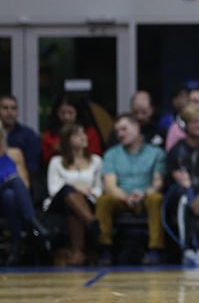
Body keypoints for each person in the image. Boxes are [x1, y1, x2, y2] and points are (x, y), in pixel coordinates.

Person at [96, 114, 167, 265]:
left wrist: (143, 194)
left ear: (136, 128)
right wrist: (125, 197)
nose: (120, 134)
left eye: (124, 129)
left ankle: (155, 250)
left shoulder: (156, 153)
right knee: (104, 200)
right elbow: (109, 185)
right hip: (120, 197)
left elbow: (158, 183)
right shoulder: (111, 154)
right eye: (117, 131)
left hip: (145, 196)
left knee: (157, 199)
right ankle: (105, 249)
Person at [45, 124, 102, 266]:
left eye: (84, 133)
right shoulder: (56, 162)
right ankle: (91, 222)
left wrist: (89, 192)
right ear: (67, 140)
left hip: (87, 201)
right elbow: (54, 189)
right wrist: (78, 189)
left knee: (74, 208)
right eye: (78, 134)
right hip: (58, 202)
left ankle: (77, 253)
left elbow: (99, 188)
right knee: (67, 190)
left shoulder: (96, 161)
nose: (84, 137)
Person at [0, 123, 34, 265]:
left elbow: (25, 184)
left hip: (11, 200)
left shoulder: (15, 154)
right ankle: (33, 223)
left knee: (10, 196)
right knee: (13, 180)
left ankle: (16, 246)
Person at [41, 94, 103, 165]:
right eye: (62, 113)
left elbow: (95, 155)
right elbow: (44, 159)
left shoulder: (89, 132)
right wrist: (55, 150)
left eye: (70, 113)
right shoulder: (50, 134)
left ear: (78, 113)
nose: (66, 117)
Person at [0, 93, 42, 177]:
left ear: (17, 112)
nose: (9, 112)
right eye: (5, 108)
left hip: (19, 180)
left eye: (13, 108)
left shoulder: (28, 135)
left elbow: (32, 166)